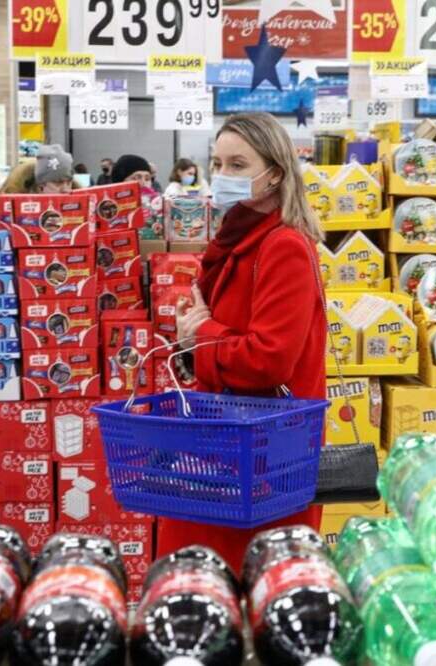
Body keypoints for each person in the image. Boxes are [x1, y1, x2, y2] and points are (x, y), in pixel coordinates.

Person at [162, 112, 326, 571]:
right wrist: (189, 341)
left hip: (267, 455)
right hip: (226, 444)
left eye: (238, 165)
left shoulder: (283, 246)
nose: (222, 175)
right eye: (217, 163)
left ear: (274, 174)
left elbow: (269, 359)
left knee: (250, 579)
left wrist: (202, 333)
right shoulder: (235, 241)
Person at [1, 144, 74, 194]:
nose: (66, 190)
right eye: (58, 183)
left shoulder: (76, 196)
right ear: (40, 186)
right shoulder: (16, 203)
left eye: (69, 183)